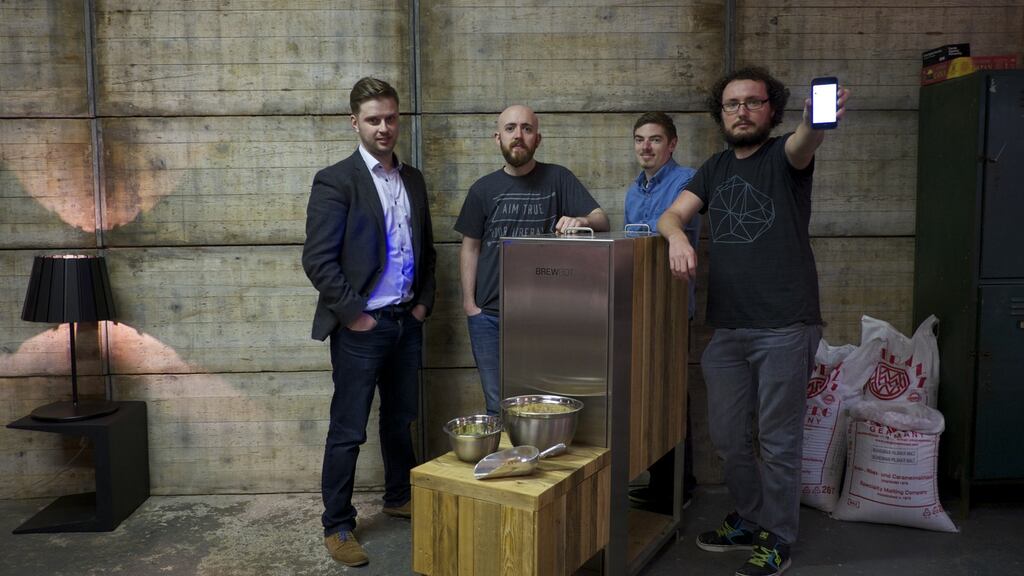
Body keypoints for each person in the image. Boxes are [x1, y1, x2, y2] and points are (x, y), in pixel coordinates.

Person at [657, 67, 848, 576]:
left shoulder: (786, 157)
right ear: (720, 114)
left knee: (780, 440)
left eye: (752, 102)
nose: (741, 111)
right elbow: (671, 215)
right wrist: (677, 236)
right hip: (728, 329)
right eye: (731, 104)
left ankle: (778, 538)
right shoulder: (715, 168)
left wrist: (815, 123)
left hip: (785, 324)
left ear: (771, 109)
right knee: (727, 436)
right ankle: (749, 517)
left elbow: (806, 142)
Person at [302, 76, 436, 567]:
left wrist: (422, 305)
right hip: (362, 330)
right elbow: (318, 261)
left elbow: (426, 249)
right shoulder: (336, 180)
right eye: (374, 119)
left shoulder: (413, 179)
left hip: (406, 323)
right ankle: (337, 524)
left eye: (391, 118)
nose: (384, 127)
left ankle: (399, 496)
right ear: (354, 122)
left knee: (401, 420)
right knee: (349, 429)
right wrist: (355, 317)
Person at [455, 104, 609, 416]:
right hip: (490, 317)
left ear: (537, 139)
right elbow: (470, 248)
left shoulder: (559, 178)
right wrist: (470, 306)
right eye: (510, 129)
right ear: (497, 138)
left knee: (545, 408)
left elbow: (601, 219)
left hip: (546, 317)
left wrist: (581, 222)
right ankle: (508, 465)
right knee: (497, 407)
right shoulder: (482, 189)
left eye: (527, 128)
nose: (518, 135)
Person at [624, 112, 700, 515]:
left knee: (671, 398)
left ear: (671, 144)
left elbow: (672, 235)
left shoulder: (685, 181)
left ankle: (679, 487)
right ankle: (661, 484)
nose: (646, 147)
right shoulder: (634, 191)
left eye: (655, 140)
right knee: (650, 397)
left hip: (670, 308)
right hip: (641, 307)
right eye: (639, 139)